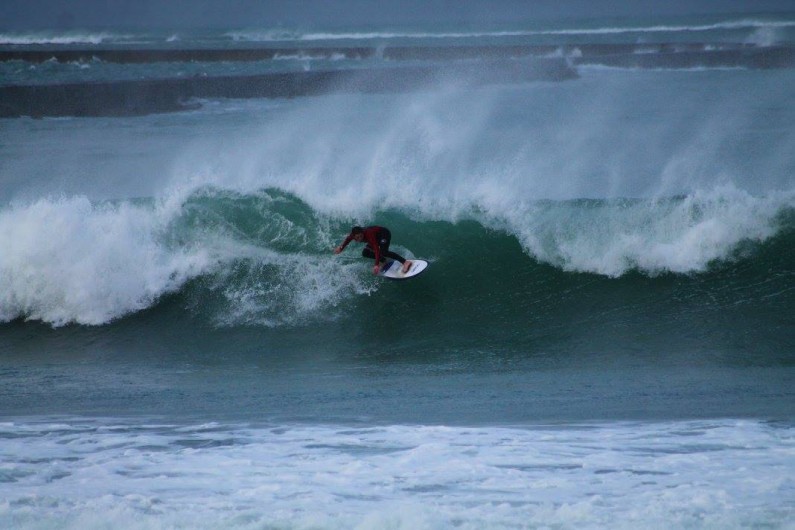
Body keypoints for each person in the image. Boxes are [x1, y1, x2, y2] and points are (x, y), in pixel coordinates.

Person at [334, 225, 413, 275]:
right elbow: (348, 239)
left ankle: (405, 262)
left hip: (384, 234)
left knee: (383, 252)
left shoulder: (369, 234)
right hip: (376, 238)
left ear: (363, 233)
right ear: (354, 236)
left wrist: (376, 265)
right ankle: (383, 260)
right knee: (365, 253)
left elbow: (376, 248)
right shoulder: (353, 235)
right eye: (357, 238)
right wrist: (341, 248)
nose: (359, 239)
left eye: (361, 236)